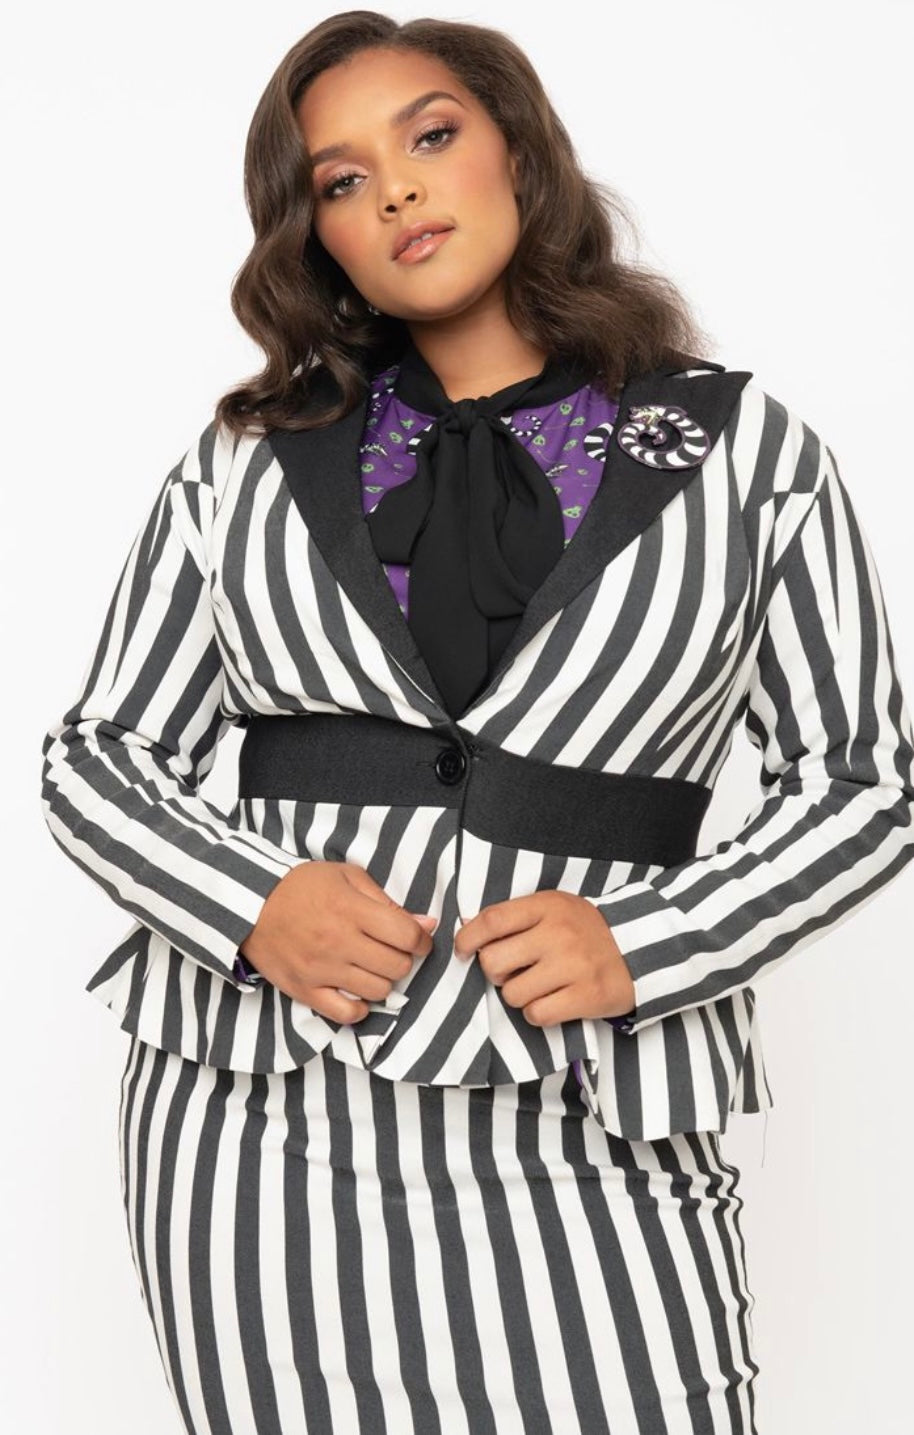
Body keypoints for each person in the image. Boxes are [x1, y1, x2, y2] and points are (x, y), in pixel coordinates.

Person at [39, 10, 914, 1435]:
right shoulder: (247, 460)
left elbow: (864, 784)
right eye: (340, 179)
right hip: (264, 1115)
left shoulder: (746, 453)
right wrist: (253, 903)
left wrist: (652, 942)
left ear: (518, 149)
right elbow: (98, 757)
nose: (395, 190)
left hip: (593, 1102)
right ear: (317, 234)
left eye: (431, 136)